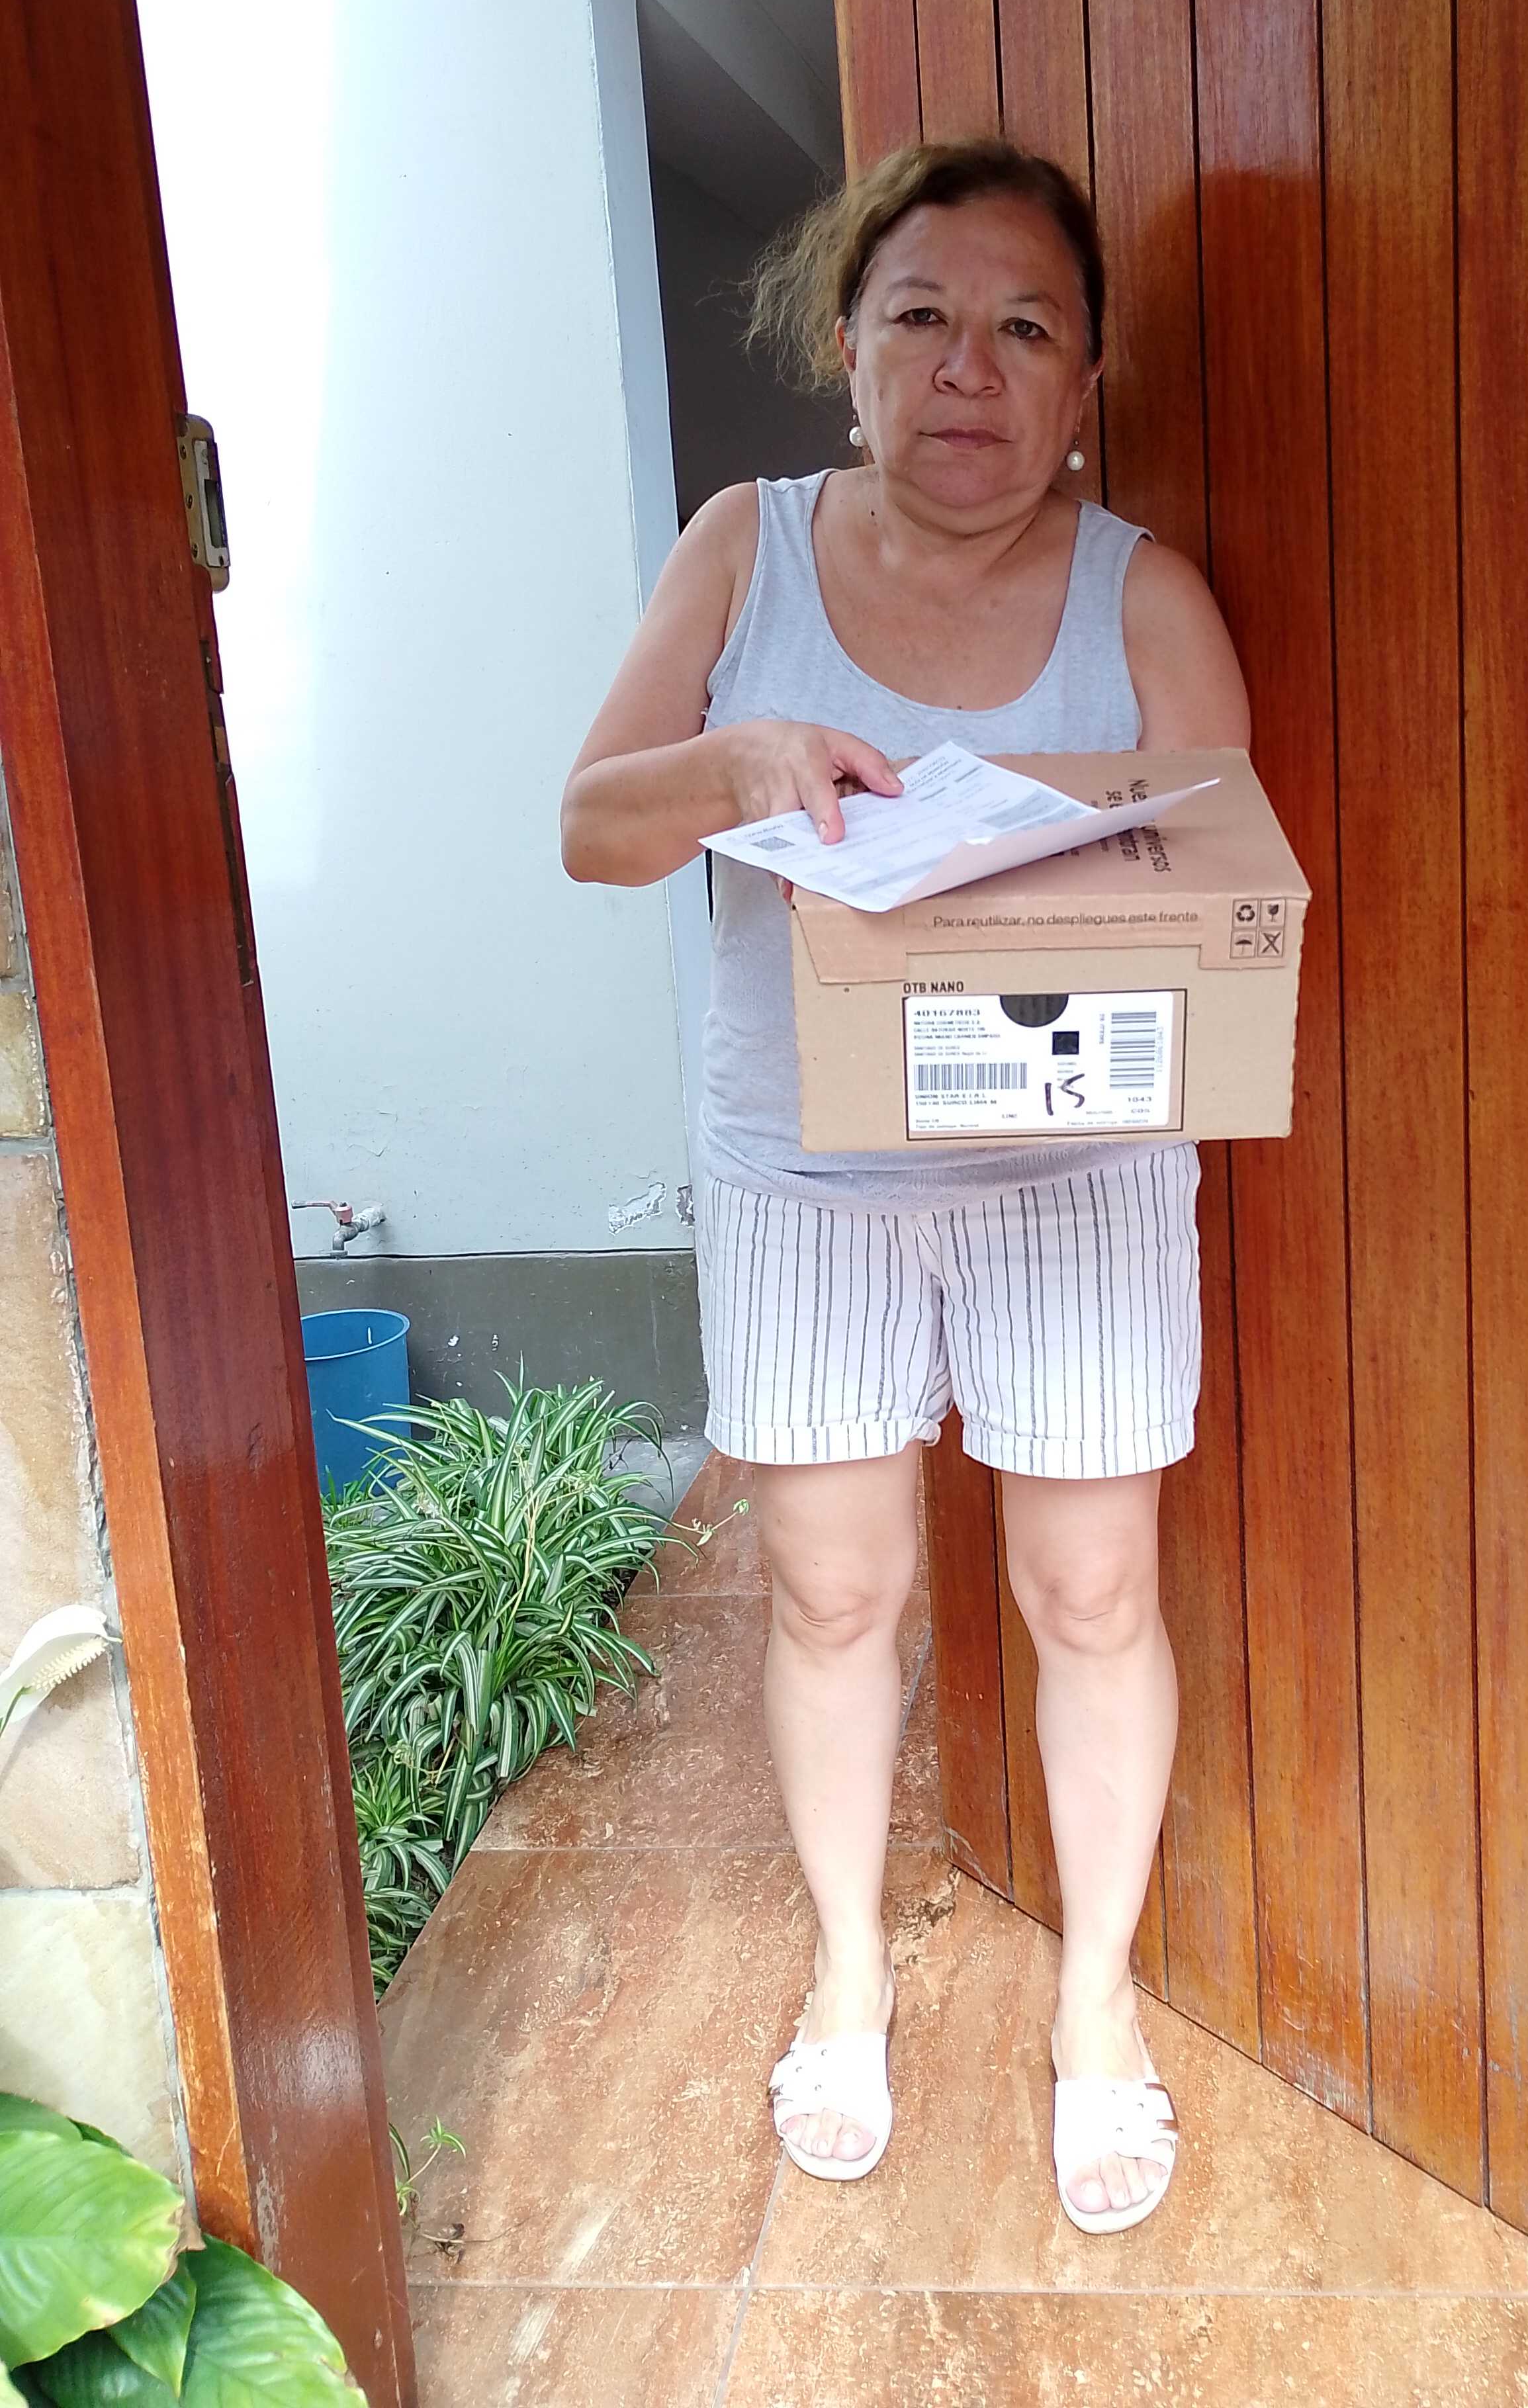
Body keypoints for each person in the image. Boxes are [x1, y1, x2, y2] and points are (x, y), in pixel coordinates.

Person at [561, 139, 1249, 2233]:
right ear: (847, 351)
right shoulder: (745, 547)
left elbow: (1227, 884)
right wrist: (744, 762)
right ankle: (851, 1979)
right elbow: (593, 826)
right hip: (812, 1168)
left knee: (1093, 1593)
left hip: (1078, 1171)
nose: (971, 368)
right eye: (924, 317)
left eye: (1028, 326)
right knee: (833, 1588)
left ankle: (1099, 2010)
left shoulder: (1144, 591)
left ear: (1086, 380)